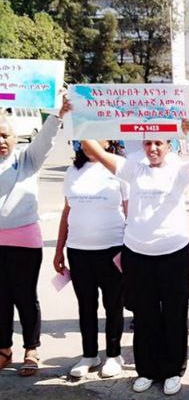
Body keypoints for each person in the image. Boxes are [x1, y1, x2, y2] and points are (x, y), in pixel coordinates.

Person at [81, 124, 189, 396]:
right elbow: (94, 149)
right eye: (148, 143)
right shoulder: (132, 168)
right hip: (138, 256)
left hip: (174, 254)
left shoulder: (179, 169)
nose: (153, 148)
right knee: (144, 315)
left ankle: (173, 370)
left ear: (169, 145)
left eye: (159, 143)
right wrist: (73, 118)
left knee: (174, 315)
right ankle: (147, 370)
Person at [0, 97, 71, 376]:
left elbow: (45, 140)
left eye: (5, 135)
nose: (1, 141)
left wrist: (58, 115)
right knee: (1, 298)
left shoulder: (27, 159)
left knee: (25, 296)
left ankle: (32, 348)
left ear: (15, 136)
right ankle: (4, 348)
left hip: (24, 241)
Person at [54, 140, 128, 379]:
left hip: (113, 249)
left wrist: (130, 248)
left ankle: (114, 355)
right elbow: (67, 211)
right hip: (78, 251)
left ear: (108, 140)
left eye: (95, 135)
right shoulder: (72, 171)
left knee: (113, 304)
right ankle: (89, 355)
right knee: (86, 305)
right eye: (84, 137)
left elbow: (129, 210)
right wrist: (59, 249)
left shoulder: (119, 167)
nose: (88, 142)